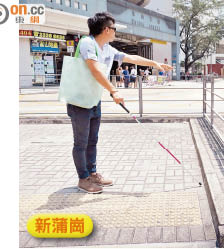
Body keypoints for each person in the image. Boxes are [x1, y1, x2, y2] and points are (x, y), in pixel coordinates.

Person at [68, 12, 172, 194]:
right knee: (81, 143)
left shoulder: (107, 48)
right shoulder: (87, 43)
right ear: (106, 29)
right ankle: (83, 179)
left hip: (93, 100)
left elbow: (131, 58)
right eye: (114, 28)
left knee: (92, 141)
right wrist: (113, 90)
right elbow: (94, 69)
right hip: (79, 101)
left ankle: (92, 173)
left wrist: (155, 64)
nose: (115, 32)